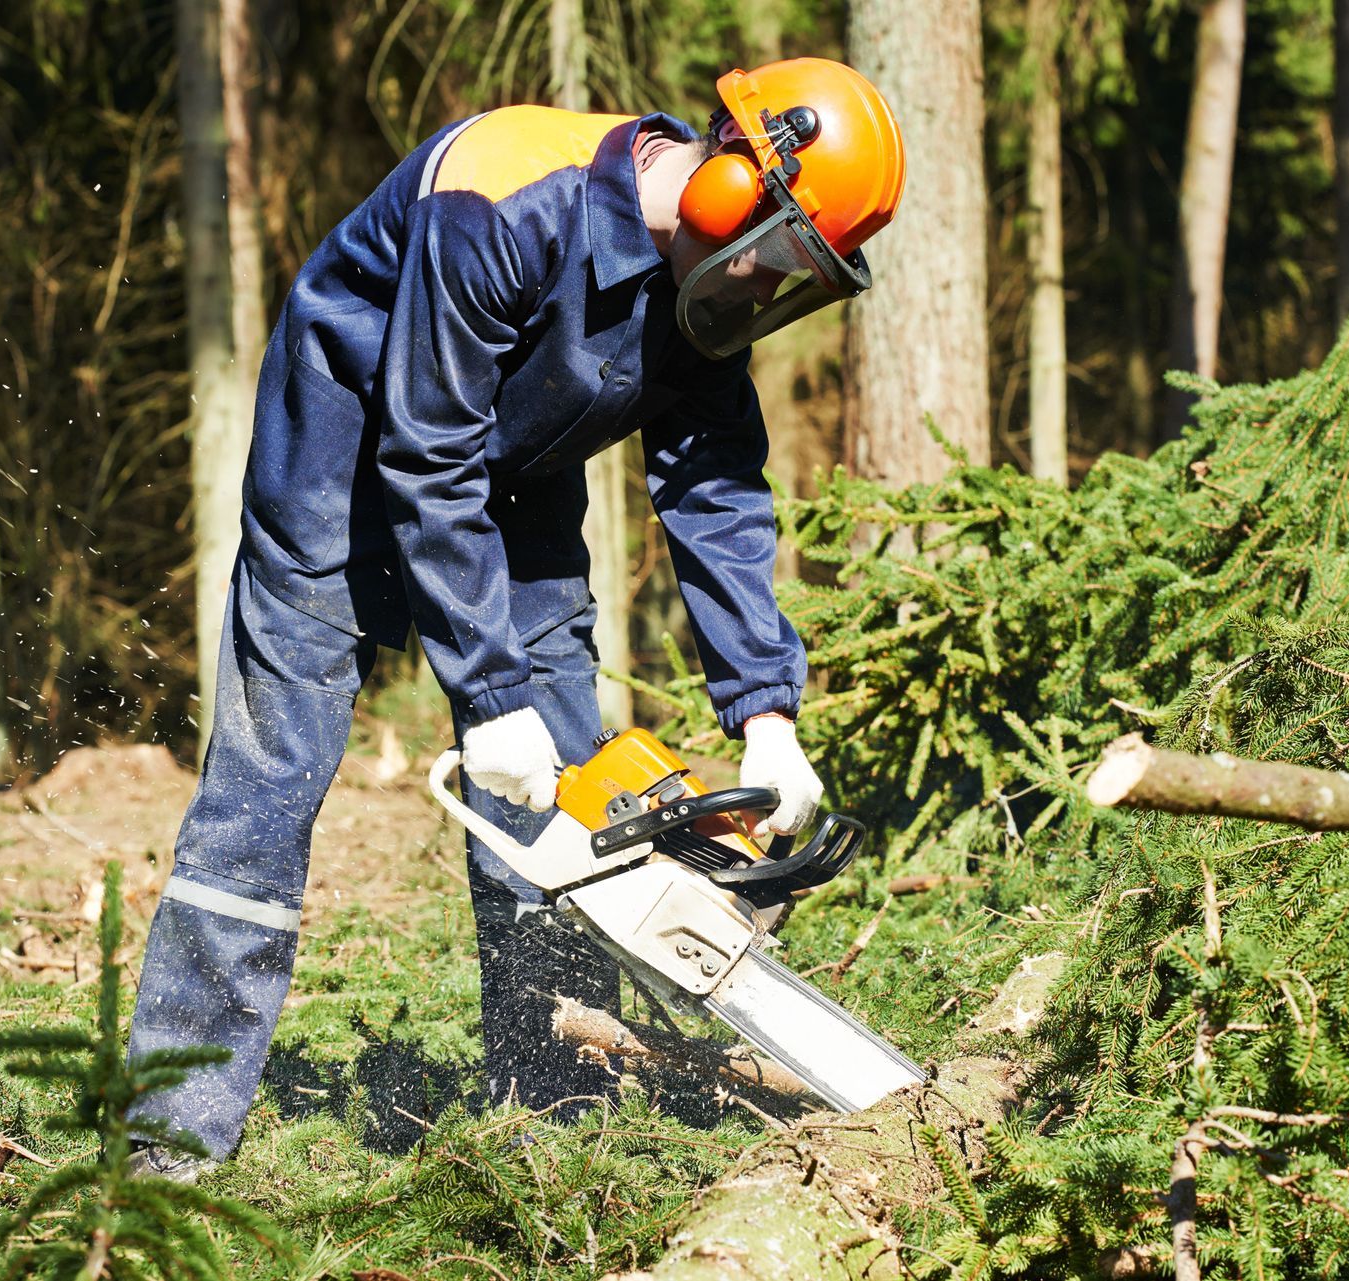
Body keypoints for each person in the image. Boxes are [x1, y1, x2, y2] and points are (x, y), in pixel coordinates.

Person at [123, 57, 906, 1179]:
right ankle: (168, 1137)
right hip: (339, 472)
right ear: (733, 184)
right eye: (779, 257)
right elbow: (427, 449)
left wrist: (766, 713)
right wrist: (490, 696)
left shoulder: (704, 292)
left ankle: (551, 1121)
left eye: (800, 277)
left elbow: (715, 485)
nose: (770, 289)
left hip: (512, 487)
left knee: (567, 816)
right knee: (266, 792)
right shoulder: (500, 192)